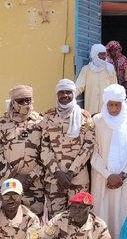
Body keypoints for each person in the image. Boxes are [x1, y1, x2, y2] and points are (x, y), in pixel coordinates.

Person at [91, 84, 127, 239]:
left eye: (117, 104)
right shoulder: (97, 120)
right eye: (110, 104)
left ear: (122, 103)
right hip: (102, 180)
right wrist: (108, 175)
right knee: (102, 219)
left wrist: (123, 174)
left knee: (124, 218)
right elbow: (93, 152)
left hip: (125, 181)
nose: (113, 108)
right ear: (105, 104)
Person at [40, 79, 95, 216]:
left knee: (78, 217)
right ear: (57, 94)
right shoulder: (48, 117)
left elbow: (89, 146)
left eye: (68, 92)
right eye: (61, 92)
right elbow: (44, 148)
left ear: (74, 94)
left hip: (78, 179)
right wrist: (57, 172)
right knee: (55, 219)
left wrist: (71, 172)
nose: (65, 95)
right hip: (54, 179)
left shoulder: (85, 117)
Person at [0, 85, 46, 216]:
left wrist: (30, 177)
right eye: (21, 101)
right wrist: (14, 176)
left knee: (33, 226)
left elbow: (46, 153)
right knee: (7, 222)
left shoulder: (41, 122)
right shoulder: (3, 123)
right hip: (8, 184)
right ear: (13, 102)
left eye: (28, 100)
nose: (25, 104)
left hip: (34, 185)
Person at [75, 43, 118, 113]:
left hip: (106, 104)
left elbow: (114, 87)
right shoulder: (86, 69)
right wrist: (71, 97)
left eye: (105, 54)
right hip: (91, 104)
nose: (104, 57)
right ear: (95, 55)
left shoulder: (110, 69)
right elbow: (79, 86)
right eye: (101, 54)